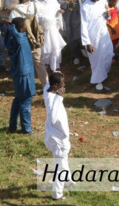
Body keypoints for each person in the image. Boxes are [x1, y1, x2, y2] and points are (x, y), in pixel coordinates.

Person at [0, 16, 36, 134]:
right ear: (21, 29)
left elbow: (7, 31)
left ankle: (12, 126)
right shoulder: (20, 38)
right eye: (25, 25)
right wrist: (12, 26)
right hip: (24, 74)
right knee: (26, 100)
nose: (26, 27)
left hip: (17, 73)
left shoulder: (11, 39)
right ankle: (26, 129)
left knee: (18, 100)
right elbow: (14, 32)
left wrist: (7, 24)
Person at [81, 0, 114, 91]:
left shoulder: (103, 0)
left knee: (108, 53)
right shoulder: (85, 6)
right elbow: (84, 25)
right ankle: (98, 83)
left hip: (104, 33)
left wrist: (108, 15)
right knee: (97, 59)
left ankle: (104, 75)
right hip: (93, 37)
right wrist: (87, 43)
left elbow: (106, 15)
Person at [44, 71, 71, 200]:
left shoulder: (48, 88)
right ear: (55, 85)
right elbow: (53, 117)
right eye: (61, 83)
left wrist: (56, 72)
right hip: (56, 140)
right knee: (59, 167)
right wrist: (59, 97)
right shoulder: (52, 99)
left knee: (63, 160)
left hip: (59, 137)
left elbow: (47, 84)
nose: (64, 86)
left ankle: (69, 181)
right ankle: (57, 194)